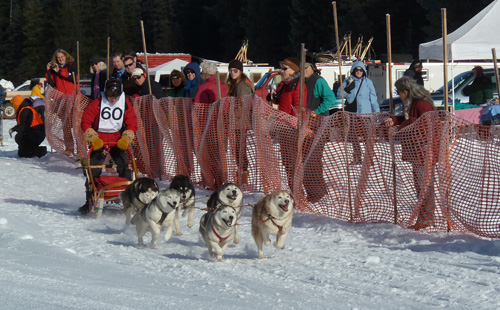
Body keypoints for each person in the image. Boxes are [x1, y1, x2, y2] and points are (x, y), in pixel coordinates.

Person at [383, 76, 437, 230]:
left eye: (399, 92)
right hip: (417, 149)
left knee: (425, 185)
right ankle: (425, 217)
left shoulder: (422, 104)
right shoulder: (414, 103)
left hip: (424, 149)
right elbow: (411, 119)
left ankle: (426, 219)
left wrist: (403, 125)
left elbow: (425, 123)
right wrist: (395, 119)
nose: (398, 95)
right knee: (420, 185)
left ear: (406, 91)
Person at [78, 78, 138, 214]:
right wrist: (92, 136)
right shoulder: (98, 103)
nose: (113, 100)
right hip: (99, 139)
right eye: (111, 97)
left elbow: (132, 122)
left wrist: (127, 136)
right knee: (93, 171)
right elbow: (85, 121)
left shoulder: (125, 103)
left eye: (116, 97)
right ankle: (89, 201)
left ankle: (128, 198)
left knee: (125, 168)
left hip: (117, 139)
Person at [302, 61, 336, 203]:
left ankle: (319, 193)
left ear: (312, 68)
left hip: (318, 125)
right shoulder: (301, 82)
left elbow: (330, 99)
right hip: (305, 125)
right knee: (305, 160)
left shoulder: (318, 81)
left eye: (306, 68)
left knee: (313, 159)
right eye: (301, 68)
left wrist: (316, 112)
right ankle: (313, 192)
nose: (304, 71)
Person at [337, 61, 380, 164]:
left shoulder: (368, 82)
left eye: (361, 70)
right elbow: (339, 94)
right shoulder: (348, 81)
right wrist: (347, 89)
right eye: (357, 69)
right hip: (352, 112)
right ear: (353, 70)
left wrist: (376, 112)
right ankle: (357, 157)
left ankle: (369, 158)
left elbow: (373, 98)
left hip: (365, 113)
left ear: (364, 71)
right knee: (353, 135)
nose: (359, 72)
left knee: (367, 136)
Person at [226, 59, 255, 184]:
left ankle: (243, 176)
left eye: (235, 70)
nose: (233, 73)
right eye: (231, 70)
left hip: (239, 122)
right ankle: (242, 174)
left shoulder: (242, 86)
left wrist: (232, 115)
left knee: (239, 149)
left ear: (240, 71)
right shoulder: (237, 84)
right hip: (238, 122)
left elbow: (243, 105)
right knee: (238, 149)